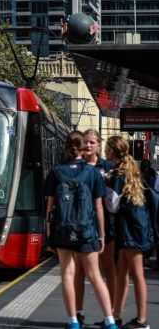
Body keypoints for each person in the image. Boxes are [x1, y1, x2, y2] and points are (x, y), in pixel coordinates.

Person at [45, 131, 116, 329]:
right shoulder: (92, 173)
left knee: (67, 273)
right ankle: (110, 321)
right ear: (83, 147)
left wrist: (49, 232)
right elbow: (99, 207)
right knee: (94, 275)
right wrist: (101, 235)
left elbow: (49, 206)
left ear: (67, 147)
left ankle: (73, 321)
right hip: (86, 230)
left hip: (63, 230)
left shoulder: (56, 171)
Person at [106, 136, 152, 329]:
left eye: (106, 148)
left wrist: (103, 187)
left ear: (112, 151)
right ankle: (115, 315)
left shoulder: (118, 175)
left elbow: (112, 206)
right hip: (135, 228)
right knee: (122, 272)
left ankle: (142, 320)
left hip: (131, 230)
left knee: (137, 274)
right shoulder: (130, 171)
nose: (104, 151)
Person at [74, 128, 116, 327]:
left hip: (105, 224)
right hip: (82, 225)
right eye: (86, 142)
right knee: (80, 272)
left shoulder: (107, 167)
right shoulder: (76, 167)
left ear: (99, 145)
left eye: (92, 142)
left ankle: (112, 313)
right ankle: (79, 312)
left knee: (108, 269)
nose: (89, 145)